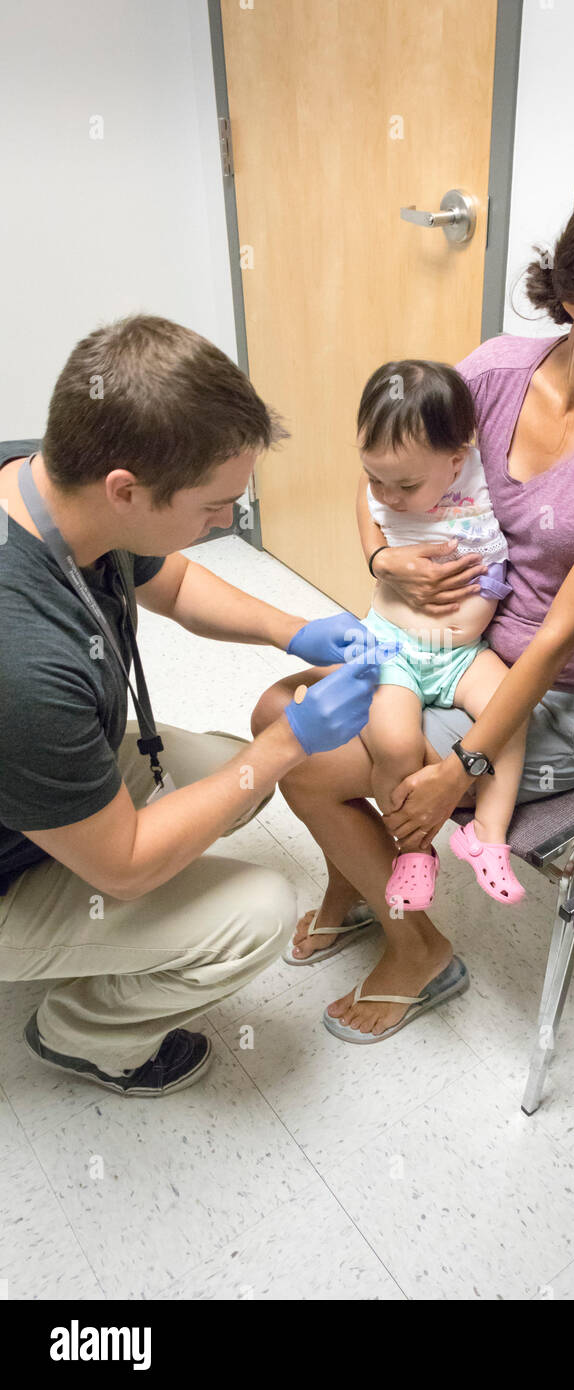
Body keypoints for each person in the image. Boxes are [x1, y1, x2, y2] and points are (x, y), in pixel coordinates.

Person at [251, 167, 574, 1044]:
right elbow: (387, 479)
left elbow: (555, 639)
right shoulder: (494, 371)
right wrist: (382, 556)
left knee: (303, 760)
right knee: (275, 709)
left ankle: (419, 951)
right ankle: (357, 882)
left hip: (558, 697)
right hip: (450, 648)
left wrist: (464, 769)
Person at [0, 315, 379, 1097]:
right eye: (214, 507)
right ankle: (85, 1038)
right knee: (259, 909)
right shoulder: (24, 662)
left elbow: (166, 580)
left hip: (35, 788)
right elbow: (126, 868)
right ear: (126, 490)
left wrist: (293, 628)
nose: (223, 524)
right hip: (18, 858)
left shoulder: (40, 478)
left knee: (210, 770)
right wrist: (287, 742)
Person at [355, 359, 528, 910]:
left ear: (456, 462)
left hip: (462, 654)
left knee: (512, 711)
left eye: (404, 484)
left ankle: (487, 836)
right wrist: (379, 554)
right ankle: (412, 849)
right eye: (374, 475)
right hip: (393, 649)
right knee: (395, 743)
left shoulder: (482, 472)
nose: (386, 494)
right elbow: (363, 501)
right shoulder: (379, 486)